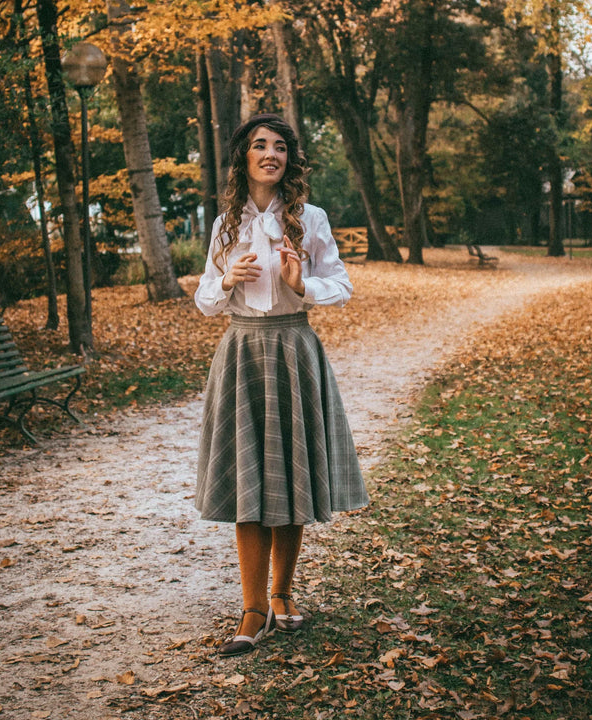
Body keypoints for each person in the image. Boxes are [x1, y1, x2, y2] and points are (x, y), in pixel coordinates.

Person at [194, 114, 368, 657]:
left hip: (294, 347)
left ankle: (283, 593)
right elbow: (204, 299)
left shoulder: (309, 218)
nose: (270, 154)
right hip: (242, 350)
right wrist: (226, 280)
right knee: (251, 479)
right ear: (243, 157)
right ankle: (251, 607)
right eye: (259, 146)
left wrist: (302, 283)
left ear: (289, 158)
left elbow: (341, 286)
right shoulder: (225, 224)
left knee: (290, 477)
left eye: (280, 147)